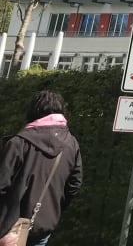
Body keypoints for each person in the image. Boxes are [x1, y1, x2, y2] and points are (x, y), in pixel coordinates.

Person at [0, 91, 83, 246]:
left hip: (10, 226)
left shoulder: (19, 142)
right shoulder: (72, 144)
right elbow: (74, 185)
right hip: (43, 224)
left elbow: (2, 183)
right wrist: (52, 208)